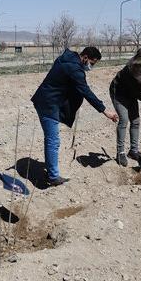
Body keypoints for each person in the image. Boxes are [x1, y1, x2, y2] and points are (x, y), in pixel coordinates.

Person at [31, 46, 118, 186]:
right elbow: (86, 91)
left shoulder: (67, 58)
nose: (91, 66)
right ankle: (53, 177)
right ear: (85, 57)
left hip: (46, 99)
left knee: (53, 140)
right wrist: (105, 111)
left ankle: (50, 169)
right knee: (52, 140)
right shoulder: (75, 69)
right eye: (92, 63)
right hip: (49, 104)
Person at [109, 48, 141, 166]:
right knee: (124, 120)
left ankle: (133, 151)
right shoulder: (135, 72)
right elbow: (139, 94)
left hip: (132, 93)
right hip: (119, 92)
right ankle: (120, 153)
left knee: (135, 121)